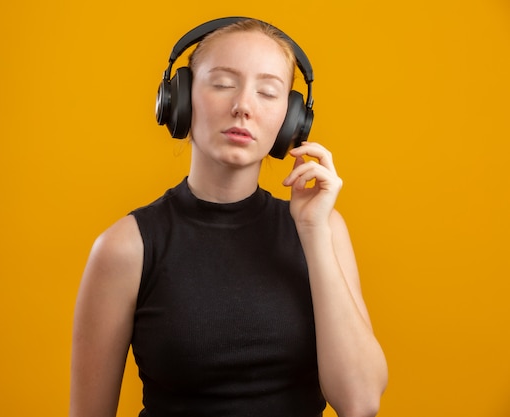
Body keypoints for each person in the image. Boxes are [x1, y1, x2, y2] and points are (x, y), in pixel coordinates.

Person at [70, 17, 388, 417]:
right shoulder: (125, 247)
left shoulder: (321, 229)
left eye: (268, 92)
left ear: (291, 122)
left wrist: (313, 233)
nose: (243, 106)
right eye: (222, 84)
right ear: (179, 101)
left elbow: (360, 404)